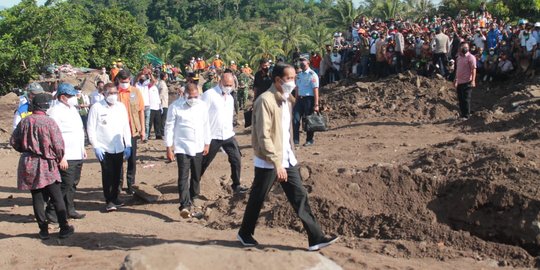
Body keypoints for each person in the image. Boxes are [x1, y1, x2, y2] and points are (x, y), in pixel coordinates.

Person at [237, 63, 338, 251]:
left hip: (286, 157)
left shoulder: (286, 99)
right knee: (258, 197)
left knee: (299, 195)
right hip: (269, 160)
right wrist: (277, 163)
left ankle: (316, 238)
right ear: (277, 80)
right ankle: (245, 232)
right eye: (289, 78)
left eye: (294, 78)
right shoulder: (265, 101)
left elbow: (286, 130)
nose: (293, 81)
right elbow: (263, 135)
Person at [10, 93, 75, 239]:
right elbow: (58, 145)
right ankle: (64, 227)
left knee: (37, 197)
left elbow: (14, 141)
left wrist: (26, 151)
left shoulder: (25, 121)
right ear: (46, 106)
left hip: (28, 164)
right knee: (57, 196)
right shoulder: (49, 122)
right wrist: (60, 158)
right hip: (47, 163)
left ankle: (43, 230)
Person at [164, 83, 210, 219]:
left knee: (196, 174)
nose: (193, 99)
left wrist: (207, 143)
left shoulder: (202, 106)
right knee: (183, 176)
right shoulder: (175, 107)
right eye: (191, 97)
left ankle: (194, 196)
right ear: (185, 95)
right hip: (182, 147)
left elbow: (206, 125)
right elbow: (169, 127)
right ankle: (184, 205)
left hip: (198, 146)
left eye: (196, 96)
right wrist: (169, 147)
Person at [200, 73, 249, 195]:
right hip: (212, 136)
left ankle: (236, 185)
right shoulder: (209, 95)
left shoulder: (230, 98)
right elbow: (200, 114)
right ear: (220, 82)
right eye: (226, 85)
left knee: (236, 159)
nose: (228, 87)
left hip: (228, 135)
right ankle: (194, 183)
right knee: (204, 162)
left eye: (230, 85)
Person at [87, 83, 132, 211]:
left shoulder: (121, 107)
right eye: (110, 93)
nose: (113, 96)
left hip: (119, 146)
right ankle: (109, 200)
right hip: (104, 147)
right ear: (104, 94)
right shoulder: (96, 107)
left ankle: (116, 197)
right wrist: (96, 146)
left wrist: (128, 144)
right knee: (108, 174)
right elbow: (90, 128)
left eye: (115, 93)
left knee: (118, 174)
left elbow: (125, 127)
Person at [47, 83, 87, 220]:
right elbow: (54, 136)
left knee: (73, 183)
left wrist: (82, 149)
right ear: (63, 97)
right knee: (65, 184)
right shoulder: (55, 112)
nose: (74, 98)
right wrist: (61, 157)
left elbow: (78, 130)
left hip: (77, 152)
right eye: (71, 96)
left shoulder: (72, 109)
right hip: (66, 154)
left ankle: (69, 209)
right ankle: (52, 212)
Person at [117, 70, 146, 194]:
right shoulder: (114, 93)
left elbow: (141, 111)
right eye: (122, 82)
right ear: (118, 80)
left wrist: (143, 129)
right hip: (117, 133)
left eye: (126, 81)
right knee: (118, 160)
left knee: (132, 160)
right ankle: (118, 185)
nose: (124, 84)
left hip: (133, 130)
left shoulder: (135, 91)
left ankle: (130, 184)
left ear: (130, 79)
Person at [293, 57, 319, 146]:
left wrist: (316, 104)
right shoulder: (299, 75)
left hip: (309, 100)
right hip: (299, 100)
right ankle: (295, 141)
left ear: (308, 62)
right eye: (300, 61)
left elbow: (315, 90)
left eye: (303, 61)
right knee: (295, 119)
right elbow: (297, 88)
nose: (301, 63)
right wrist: (295, 101)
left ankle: (309, 140)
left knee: (309, 120)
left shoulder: (312, 74)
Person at [454, 42, 477, 120]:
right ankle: (463, 114)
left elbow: (473, 69)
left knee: (466, 99)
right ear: (460, 48)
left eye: (466, 47)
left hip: (467, 81)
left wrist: (473, 80)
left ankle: (466, 116)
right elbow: (457, 69)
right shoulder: (458, 57)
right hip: (460, 82)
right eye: (463, 47)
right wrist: (456, 79)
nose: (464, 48)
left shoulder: (471, 57)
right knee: (460, 99)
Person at [157, 72, 169, 137]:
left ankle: (161, 131)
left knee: (162, 119)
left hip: (162, 103)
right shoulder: (163, 84)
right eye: (166, 76)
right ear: (164, 77)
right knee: (163, 119)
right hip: (163, 103)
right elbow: (161, 94)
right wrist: (159, 102)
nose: (167, 77)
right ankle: (162, 131)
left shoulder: (160, 83)